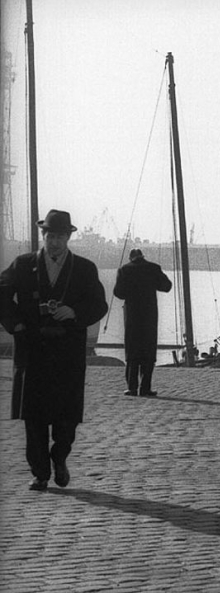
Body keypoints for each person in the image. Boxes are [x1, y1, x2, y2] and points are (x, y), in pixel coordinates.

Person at [0, 209, 108, 491]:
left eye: (61, 236)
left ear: (69, 237)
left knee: (66, 419)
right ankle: (40, 473)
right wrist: (16, 324)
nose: (55, 242)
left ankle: (59, 457)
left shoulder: (84, 269)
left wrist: (75, 311)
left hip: (67, 354)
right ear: (43, 235)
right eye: (51, 236)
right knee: (33, 418)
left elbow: (99, 305)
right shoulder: (23, 265)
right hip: (33, 352)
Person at [113, 248, 172, 397]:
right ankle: (145, 388)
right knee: (148, 350)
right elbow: (167, 286)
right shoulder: (153, 268)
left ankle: (132, 388)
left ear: (131, 258)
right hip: (149, 315)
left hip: (132, 315)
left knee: (132, 351)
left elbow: (118, 293)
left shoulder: (124, 270)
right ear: (143, 257)